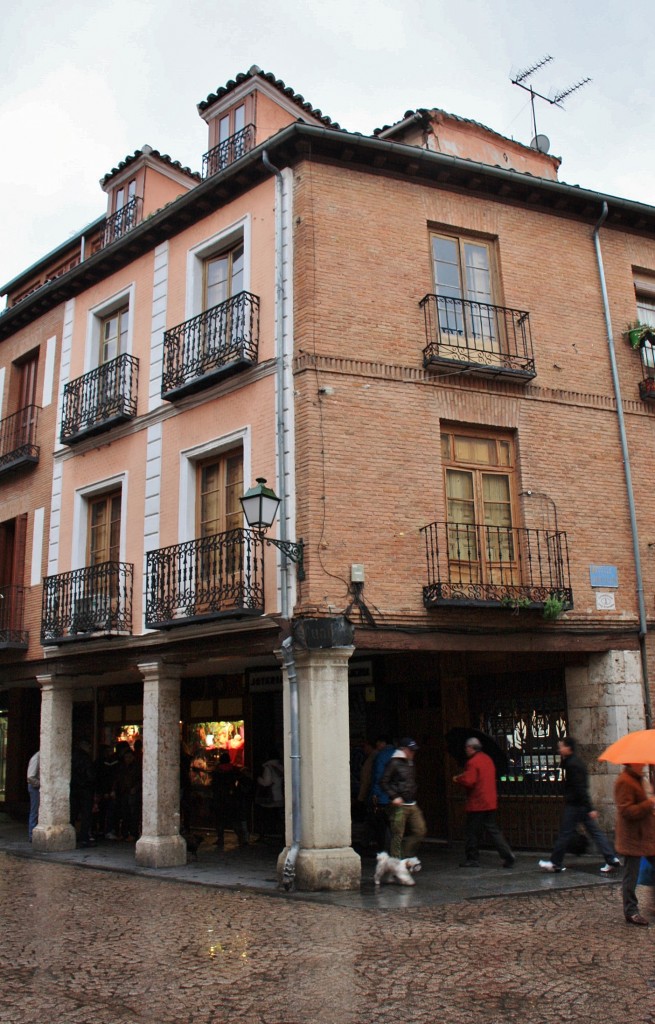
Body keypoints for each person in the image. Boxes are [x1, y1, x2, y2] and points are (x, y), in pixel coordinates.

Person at [538, 736, 621, 874]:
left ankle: (555, 862)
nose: (559, 749)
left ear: (568, 748)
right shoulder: (574, 762)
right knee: (595, 832)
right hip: (580, 804)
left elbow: (579, 787)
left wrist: (589, 807)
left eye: (561, 746)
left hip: (576, 805)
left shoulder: (573, 764)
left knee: (565, 833)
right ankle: (611, 858)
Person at [453, 737, 515, 868]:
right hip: (490, 801)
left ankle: (472, 858)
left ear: (471, 748)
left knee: (472, 831)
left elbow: (470, 780)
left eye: (466, 748)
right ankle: (507, 853)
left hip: (477, 802)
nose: (466, 750)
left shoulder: (473, 762)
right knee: (493, 829)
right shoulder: (487, 759)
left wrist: (458, 778)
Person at [614, 762, 655, 926]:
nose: (643, 765)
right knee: (631, 875)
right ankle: (631, 911)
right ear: (632, 763)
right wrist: (649, 802)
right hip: (632, 837)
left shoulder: (640, 779)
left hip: (646, 835)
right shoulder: (624, 781)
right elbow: (627, 811)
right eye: (640, 763)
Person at [381, 738, 427, 859]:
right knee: (397, 835)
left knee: (420, 830)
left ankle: (406, 855)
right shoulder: (394, 763)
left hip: (411, 802)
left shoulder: (410, 762)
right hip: (399, 804)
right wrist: (394, 796)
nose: (413, 753)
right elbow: (384, 781)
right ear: (404, 749)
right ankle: (396, 862)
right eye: (410, 750)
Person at [368, 737, 395, 852]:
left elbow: (378, 777)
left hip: (385, 796)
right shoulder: (402, 754)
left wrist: (375, 794)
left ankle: (386, 851)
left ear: (382, 742)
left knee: (384, 826)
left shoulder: (381, 756)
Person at [26, 749, 40, 842]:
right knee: (34, 811)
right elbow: (30, 776)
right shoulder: (36, 757)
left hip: (37, 786)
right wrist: (40, 783)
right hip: (35, 787)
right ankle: (32, 834)